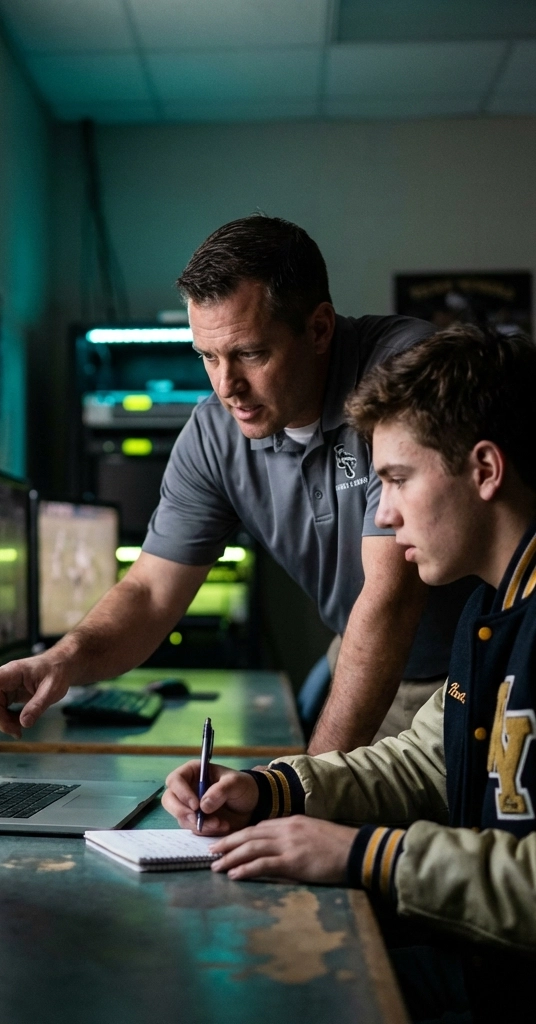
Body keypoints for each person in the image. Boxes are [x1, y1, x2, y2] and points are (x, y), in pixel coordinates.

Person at [0, 215, 473, 753]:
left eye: (251, 353)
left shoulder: (405, 374)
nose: (228, 387)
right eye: (207, 357)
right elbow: (150, 592)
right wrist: (62, 659)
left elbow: (390, 600)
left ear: (319, 329)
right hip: (363, 655)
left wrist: (303, 788)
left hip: (469, 667)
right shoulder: (215, 432)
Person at [162, 325, 536, 1016]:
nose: (384, 515)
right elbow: (423, 764)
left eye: (397, 479)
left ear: (484, 470)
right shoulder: (490, 608)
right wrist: (269, 790)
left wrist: (362, 855)